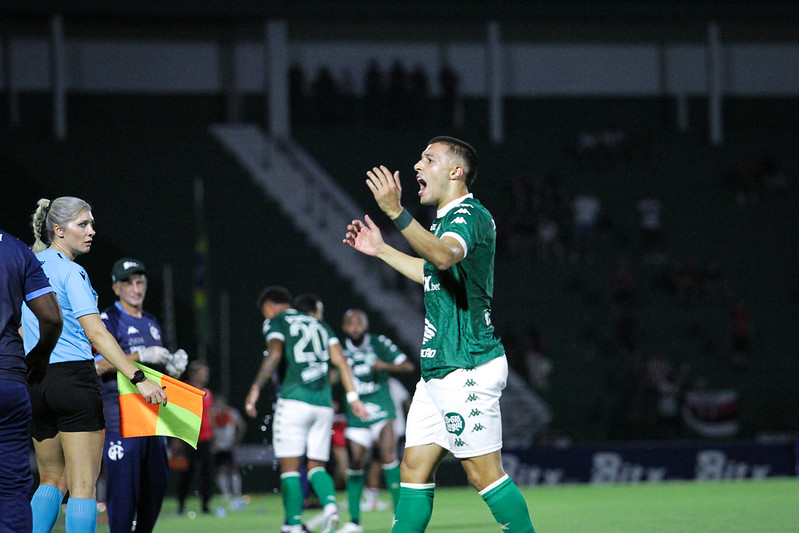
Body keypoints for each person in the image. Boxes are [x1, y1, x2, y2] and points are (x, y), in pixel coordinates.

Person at [342, 136, 535, 532]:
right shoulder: (443, 220)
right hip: (437, 370)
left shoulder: (469, 215)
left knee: (484, 475)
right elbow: (431, 271)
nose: (417, 166)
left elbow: (444, 256)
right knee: (412, 469)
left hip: (467, 365)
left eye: (428, 159)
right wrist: (382, 251)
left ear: (455, 171)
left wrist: (396, 213)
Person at [21, 197, 167, 533]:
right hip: (73, 380)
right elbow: (98, 334)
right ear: (58, 229)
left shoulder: (26, 265)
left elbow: (16, 328)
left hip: (35, 382)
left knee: (51, 480)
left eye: (91, 224)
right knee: (83, 486)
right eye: (83, 225)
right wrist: (139, 378)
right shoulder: (73, 271)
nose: (92, 232)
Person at [244, 286, 368, 533]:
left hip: (294, 401)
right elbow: (341, 361)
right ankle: (331, 507)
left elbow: (275, 352)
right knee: (316, 467)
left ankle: (293, 526)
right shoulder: (320, 325)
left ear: (269, 306)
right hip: (323, 405)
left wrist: (256, 387)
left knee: (290, 469)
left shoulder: (276, 321)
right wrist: (353, 397)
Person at [94, 257, 189, 533]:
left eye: (140, 282)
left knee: (156, 488)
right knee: (122, 495)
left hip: (154, 420)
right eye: (129, 283)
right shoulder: (107, 319)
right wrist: (140, 356)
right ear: (116, 288)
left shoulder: (151, 322)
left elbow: (155, 375)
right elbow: (98, 366)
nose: (136, 288)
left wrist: (172, 368)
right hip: (122, 421)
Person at [0, 229, 63, 533]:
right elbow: (51, 317)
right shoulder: (16, 250)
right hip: (9, 379)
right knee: (12, 488)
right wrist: (40, 356)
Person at [337, 308, 414, 533]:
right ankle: (354, 522)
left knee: (389, 456)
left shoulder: (379, 343)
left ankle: (400, 518)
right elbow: (332, 373)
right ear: (344, 327)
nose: (355, 328)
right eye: (350, 324)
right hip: (357, 414)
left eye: (358, 323)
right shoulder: (339, 348)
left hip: (382, 410)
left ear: (366, 325)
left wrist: (384, 365)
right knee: (356, 462)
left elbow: (408, 365)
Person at [175, 360, 215, 515]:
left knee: (207, 474)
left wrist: (214, 435)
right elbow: (179, 414)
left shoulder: (207, 392)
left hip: (206, 438)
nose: (205, 376)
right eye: (202, 373)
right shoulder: (184, 389)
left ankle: (205, 505)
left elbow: (209, 415)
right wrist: (179, 438)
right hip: (189, 437)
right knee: (186, 474)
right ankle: (181, 505)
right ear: (194, 374)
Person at [212, 393, 247, 508]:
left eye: (220, 403)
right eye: (217, 404)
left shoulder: (232, 413)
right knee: (220, 470)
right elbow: (210, 428)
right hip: (219, 447)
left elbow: (242, 426)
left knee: (233, 469)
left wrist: (236, 441)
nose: (218, 406)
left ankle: (237, 493)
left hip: (230, 446)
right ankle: (225, 493)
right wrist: (214, 441)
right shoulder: (213, 414)